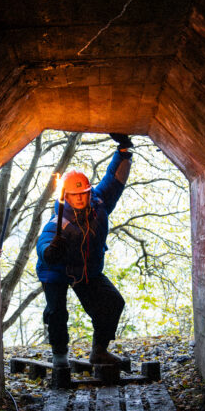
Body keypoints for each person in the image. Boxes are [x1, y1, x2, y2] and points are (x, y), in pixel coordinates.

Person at [35, 133, 134, 368]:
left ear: (89, 191)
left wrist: (124, 150)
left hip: (85, 270)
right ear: (65, 196)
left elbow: (115, 179)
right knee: (57, 311)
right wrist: (49, 251)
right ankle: (60, 354)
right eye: (74, 195)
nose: (80, 198)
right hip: (55, 270)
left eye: (84, 193)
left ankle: (99, 351)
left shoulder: (99, 203)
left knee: (112, 302)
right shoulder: (60, 221)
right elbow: (44, 241)